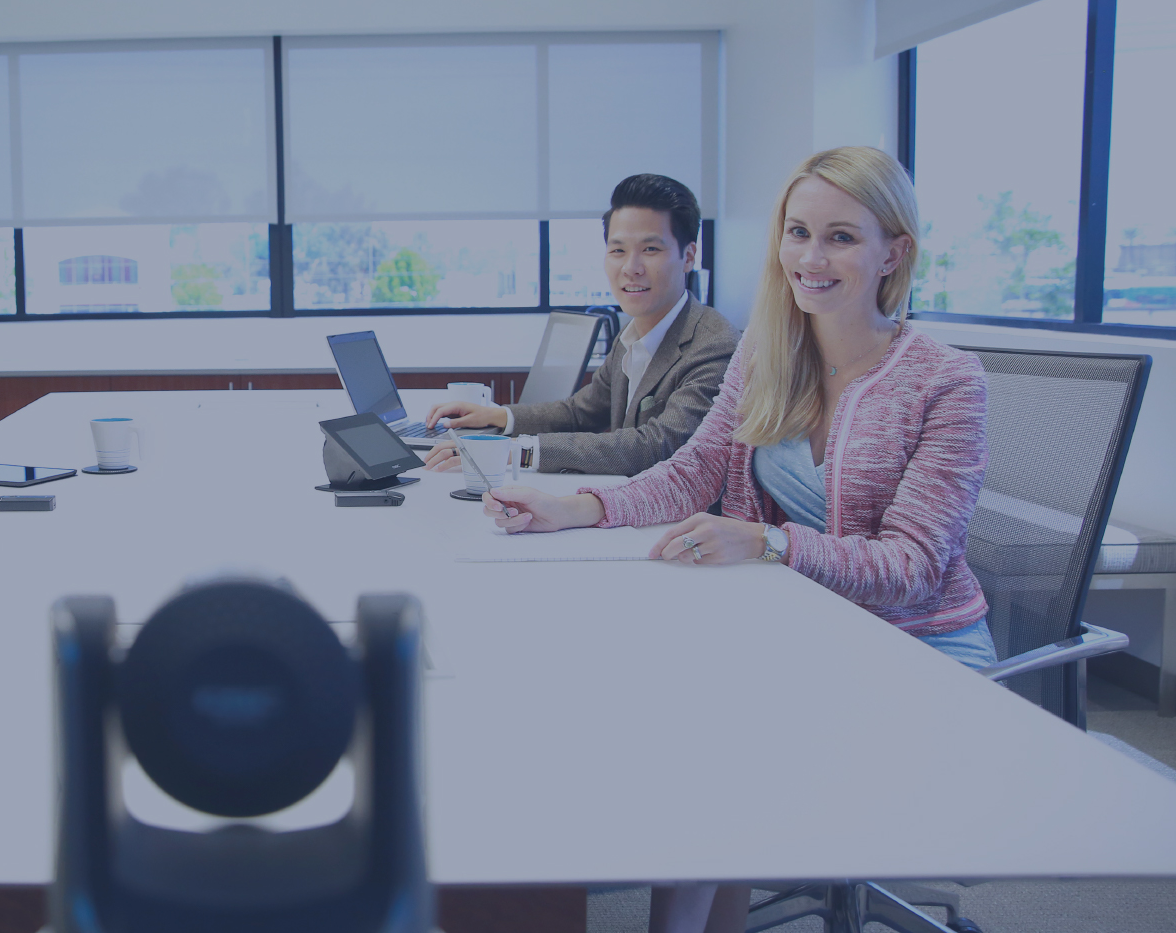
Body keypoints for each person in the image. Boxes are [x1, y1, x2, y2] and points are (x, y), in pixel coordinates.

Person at [484, 147, 992, 933]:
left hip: (916, 646)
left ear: (894, 252)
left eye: (841, 238)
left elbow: (913, 568)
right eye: (798, 232)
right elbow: (693, 472)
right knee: (640, 693)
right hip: (799, 621)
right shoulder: (766, 351)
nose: (811, 258)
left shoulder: (945, 380)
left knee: (704, 745)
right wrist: (575, 507)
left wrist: (769, 543)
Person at [423, 174, 739, 477]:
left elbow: (658, 445)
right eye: (618, 250)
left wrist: (515, 451)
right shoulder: (632, 334)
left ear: (688, 256)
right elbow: (581, 412)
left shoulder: (714, 345)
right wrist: (497, 416)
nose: (631, 268)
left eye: (650, 249)